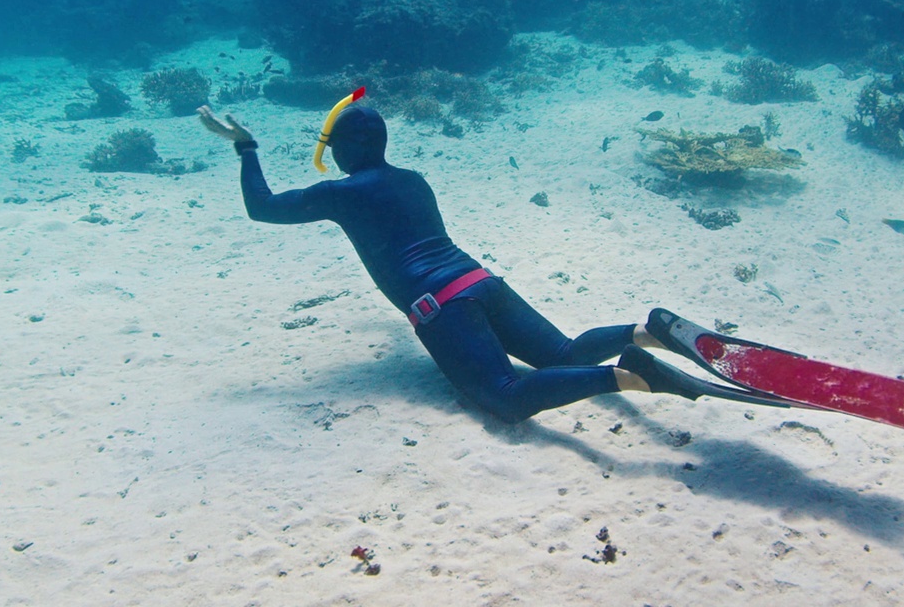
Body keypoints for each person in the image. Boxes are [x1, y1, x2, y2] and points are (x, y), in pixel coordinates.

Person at [198, 102, 686, 423]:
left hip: (445, 304)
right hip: (480, 279)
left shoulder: (339, 194)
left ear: (345, 149)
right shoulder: (413, 178)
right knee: (562, 353)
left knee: (505, 397)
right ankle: (643, 332)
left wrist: (247, 149)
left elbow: (261, 208)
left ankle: (636, 377)